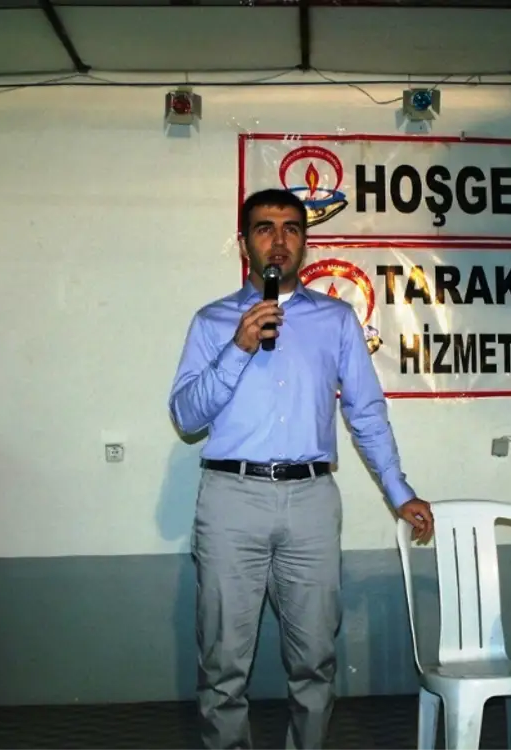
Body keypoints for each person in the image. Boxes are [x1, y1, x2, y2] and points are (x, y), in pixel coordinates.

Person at [168, 188, 434, 750]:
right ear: (244, 243)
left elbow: (365, 411)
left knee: (315, 658)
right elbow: (186, 416)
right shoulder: (213, 321)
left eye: (291, 228)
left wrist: (399, 491)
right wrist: (238, 347)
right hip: (230, 497)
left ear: (305, 242)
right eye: (264, 228)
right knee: (222, 663)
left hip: (312, 501)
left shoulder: (336, 320)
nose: (279, 240)